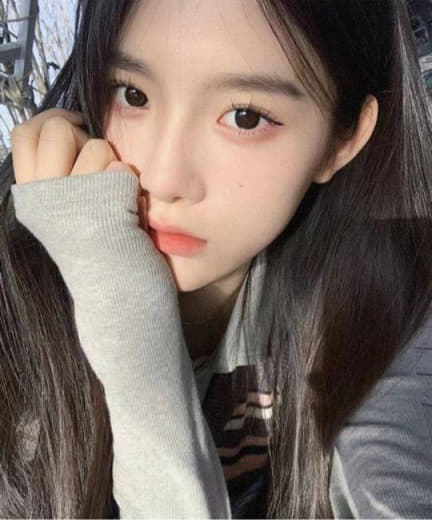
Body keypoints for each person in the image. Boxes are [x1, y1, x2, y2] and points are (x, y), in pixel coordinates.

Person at [0, 0, 431, 517]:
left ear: (343, 140)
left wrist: (123, 313)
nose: (163, 177)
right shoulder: (14, 313)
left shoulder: (388, 316)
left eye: (245, 117)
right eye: (133, 94)